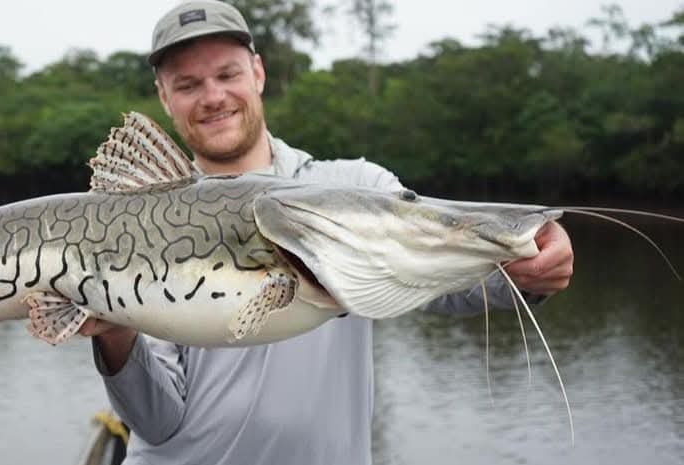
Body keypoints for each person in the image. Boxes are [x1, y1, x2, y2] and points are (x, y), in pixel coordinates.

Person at [78, 1, 575, 464]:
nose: (212, 97)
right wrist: (117, 334)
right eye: (187, 85)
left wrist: (527, 269)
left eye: (227, 74)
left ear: (257, 72)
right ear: (164, 97)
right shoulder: (136, 223)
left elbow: (445, 278)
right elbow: (157, 422)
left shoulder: (359, 186)